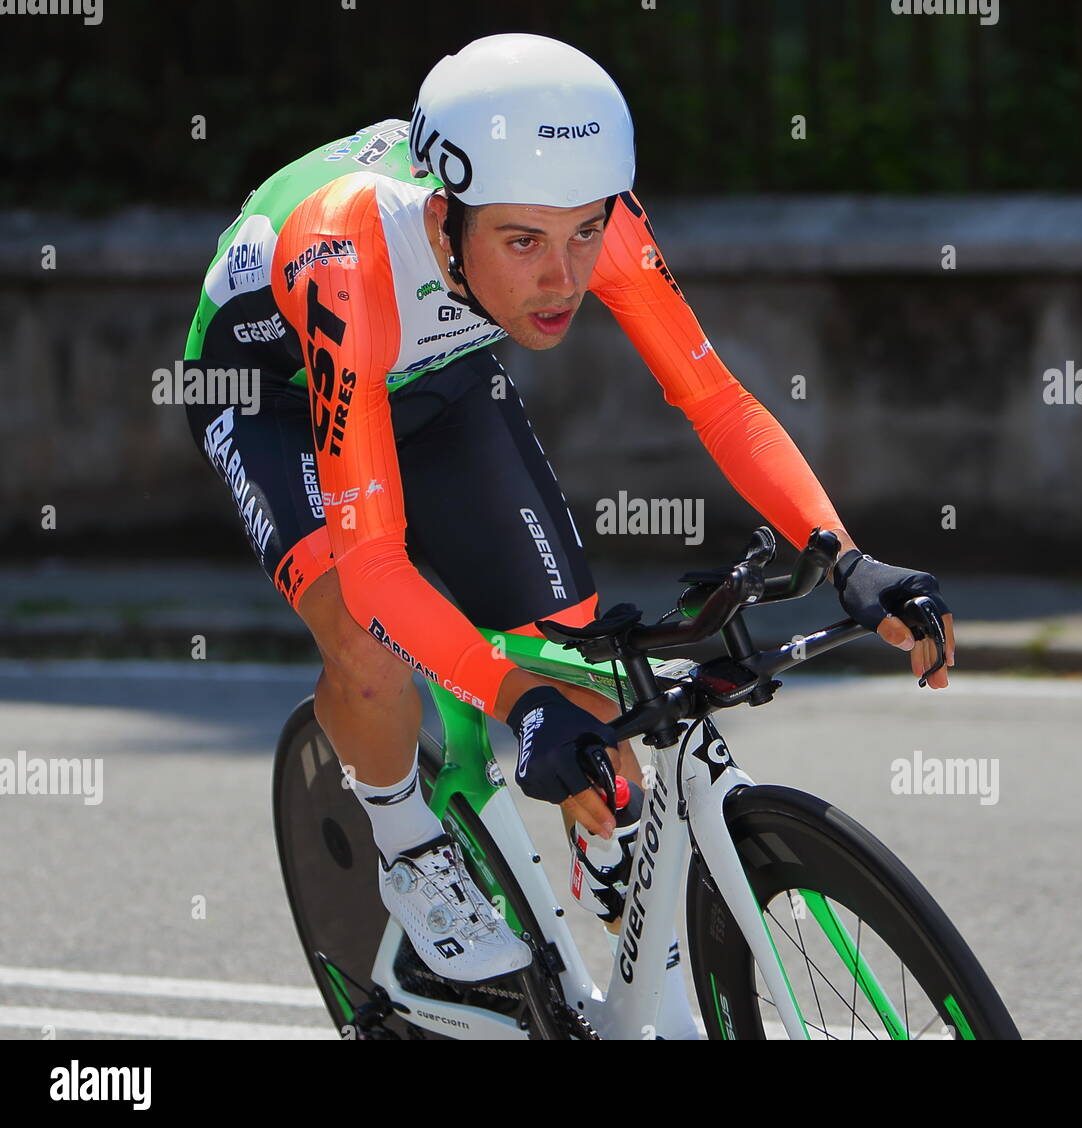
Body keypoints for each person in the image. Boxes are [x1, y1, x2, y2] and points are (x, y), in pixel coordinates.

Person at [183, 32, 954, 1039]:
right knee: (369, 645)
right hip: (276, 395)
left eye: (583, 234)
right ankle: (409, 841)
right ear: (444, 215)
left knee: (583, 661)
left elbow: (716, 401)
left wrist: (844, 555)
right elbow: (371, 561)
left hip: (440, 380)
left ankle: (600, 847)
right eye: (524, 242)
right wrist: (510, 693)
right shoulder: (349, 252)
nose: (563, 278)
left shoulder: (593, 215)